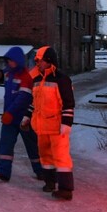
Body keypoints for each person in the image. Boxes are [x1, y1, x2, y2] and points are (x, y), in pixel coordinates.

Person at [22, 46, 76, 200]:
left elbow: (68, 103)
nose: (37, 63)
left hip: (57, 127)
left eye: (40, 61)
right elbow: (34, 103)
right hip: (41, 127)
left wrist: (66, 123)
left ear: (49, 61)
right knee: (45, 156)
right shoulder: (37, 80)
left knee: (61, 157)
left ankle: (66, 189)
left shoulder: (62, 79)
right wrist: (27, 117)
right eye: (36, 61)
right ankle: (50, 183)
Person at [0, 46, 43, 182]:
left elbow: (23, 98)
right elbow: (2, 73)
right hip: (9, 117)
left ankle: (41, 172)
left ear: (18, 61)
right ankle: (3, 172)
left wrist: (10, 112)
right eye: (8, 61)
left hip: (23, 117)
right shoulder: (8, 74)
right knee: (5, 144)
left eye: (11, 61)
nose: (9, 63)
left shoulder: (26, 77)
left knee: (32, 146)